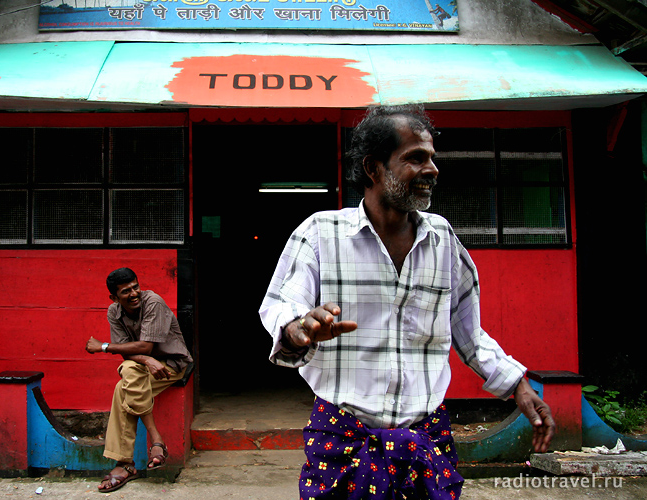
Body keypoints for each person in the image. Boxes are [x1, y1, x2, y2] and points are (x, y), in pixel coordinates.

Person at [259, 105, 555, 499]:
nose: (432, 169)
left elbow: (469, 333)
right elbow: (279, 306)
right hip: (344, 442)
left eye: (432, 158)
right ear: (373, 168)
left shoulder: (443, 240)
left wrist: (517, 384)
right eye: (415, 158)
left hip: (426, 441)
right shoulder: (319, 234)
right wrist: (302, 329)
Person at [86, 267, 193, 493]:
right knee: (128, 374)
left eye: (136, 287)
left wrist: (104, 346)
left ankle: (125, 463)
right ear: (114, 298)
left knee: (122, 385)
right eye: (126, 291)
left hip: (170, 365)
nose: (134, 294)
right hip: (144, 366)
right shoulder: (113, 312)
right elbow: (129, 352)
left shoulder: (152, 302)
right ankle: (156, 441)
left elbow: (145, 346)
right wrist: (146, 359)